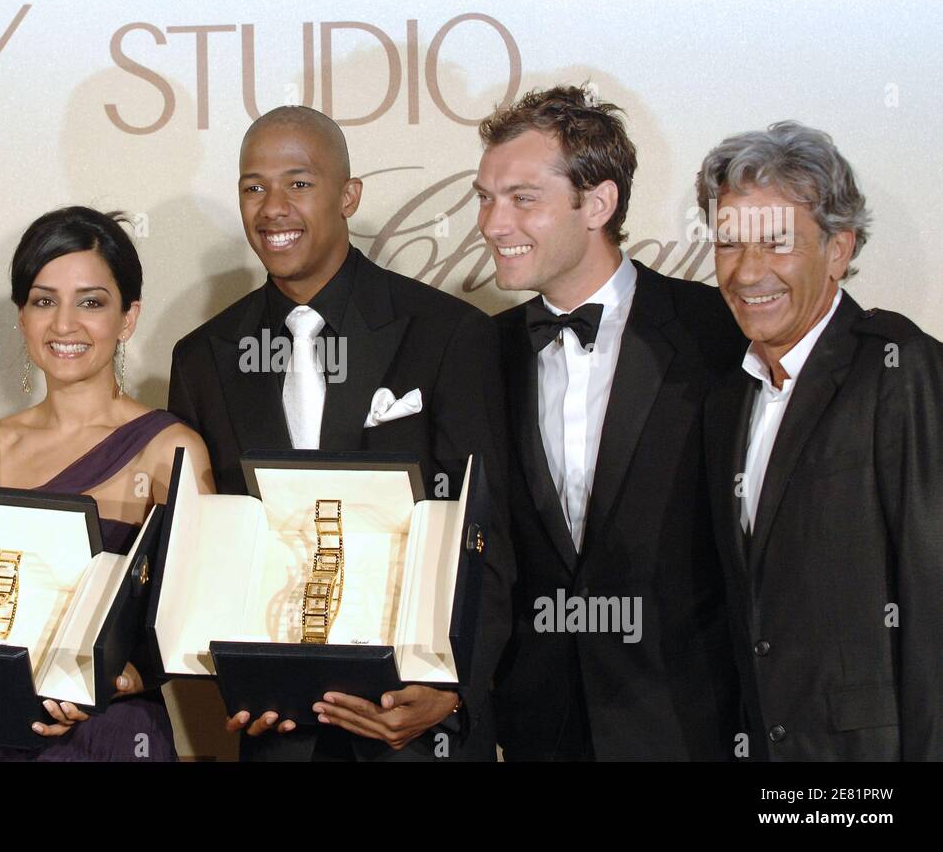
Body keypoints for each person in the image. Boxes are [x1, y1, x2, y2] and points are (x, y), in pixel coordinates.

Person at [168, 106, 512, 762]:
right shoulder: (205, 357)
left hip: (414, 728)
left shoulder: (447, 334)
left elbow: (489, 531)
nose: (273, 208)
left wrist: (455, 682)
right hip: (278, 735)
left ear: (348, 194)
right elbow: (209, 540)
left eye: (298, 183)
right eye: (253, 186)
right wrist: (235, 677)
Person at [479, 85, 743, 761]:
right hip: (540, 729)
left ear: (598, 203)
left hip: (691, 722)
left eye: (522, 198)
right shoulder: (485, 351)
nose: (492, 223)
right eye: (485, 198)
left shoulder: (717, 333)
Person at [0, 206, 212, 761]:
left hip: (108, 738)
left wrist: (124, 677)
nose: (64, 324)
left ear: (128, 317)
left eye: (91, 302)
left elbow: (199, 612)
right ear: (22, 316)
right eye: (44, 300)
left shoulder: (168, 449)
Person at [698, 122, 943, 761]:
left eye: (776, 244)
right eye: (729, 243)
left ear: (838, 249)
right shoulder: (731, 394)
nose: (748, 272)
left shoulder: (900, 367)